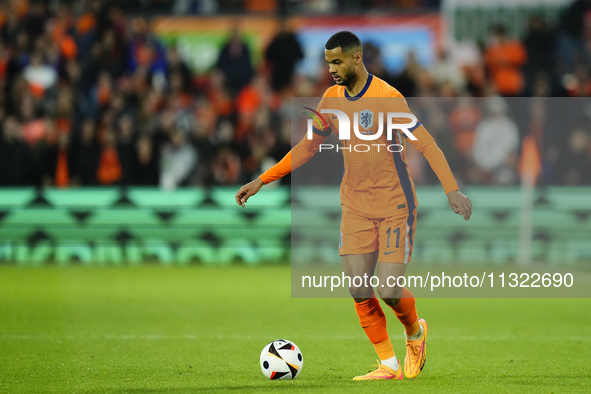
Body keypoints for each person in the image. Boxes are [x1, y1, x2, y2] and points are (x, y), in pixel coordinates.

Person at [236, 31, 472, 380]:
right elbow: (308, 145)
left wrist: (452, 190)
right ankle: (387, 364)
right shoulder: (330, 99)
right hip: (356, 206)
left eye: (337, 61)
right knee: (359, 287)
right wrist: (263, 179)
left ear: (357, 58)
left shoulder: (388, 98)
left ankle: (415, 332)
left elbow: (426, 145)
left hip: (395, 204)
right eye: (328, 62)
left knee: (389, 289)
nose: (331, 69)